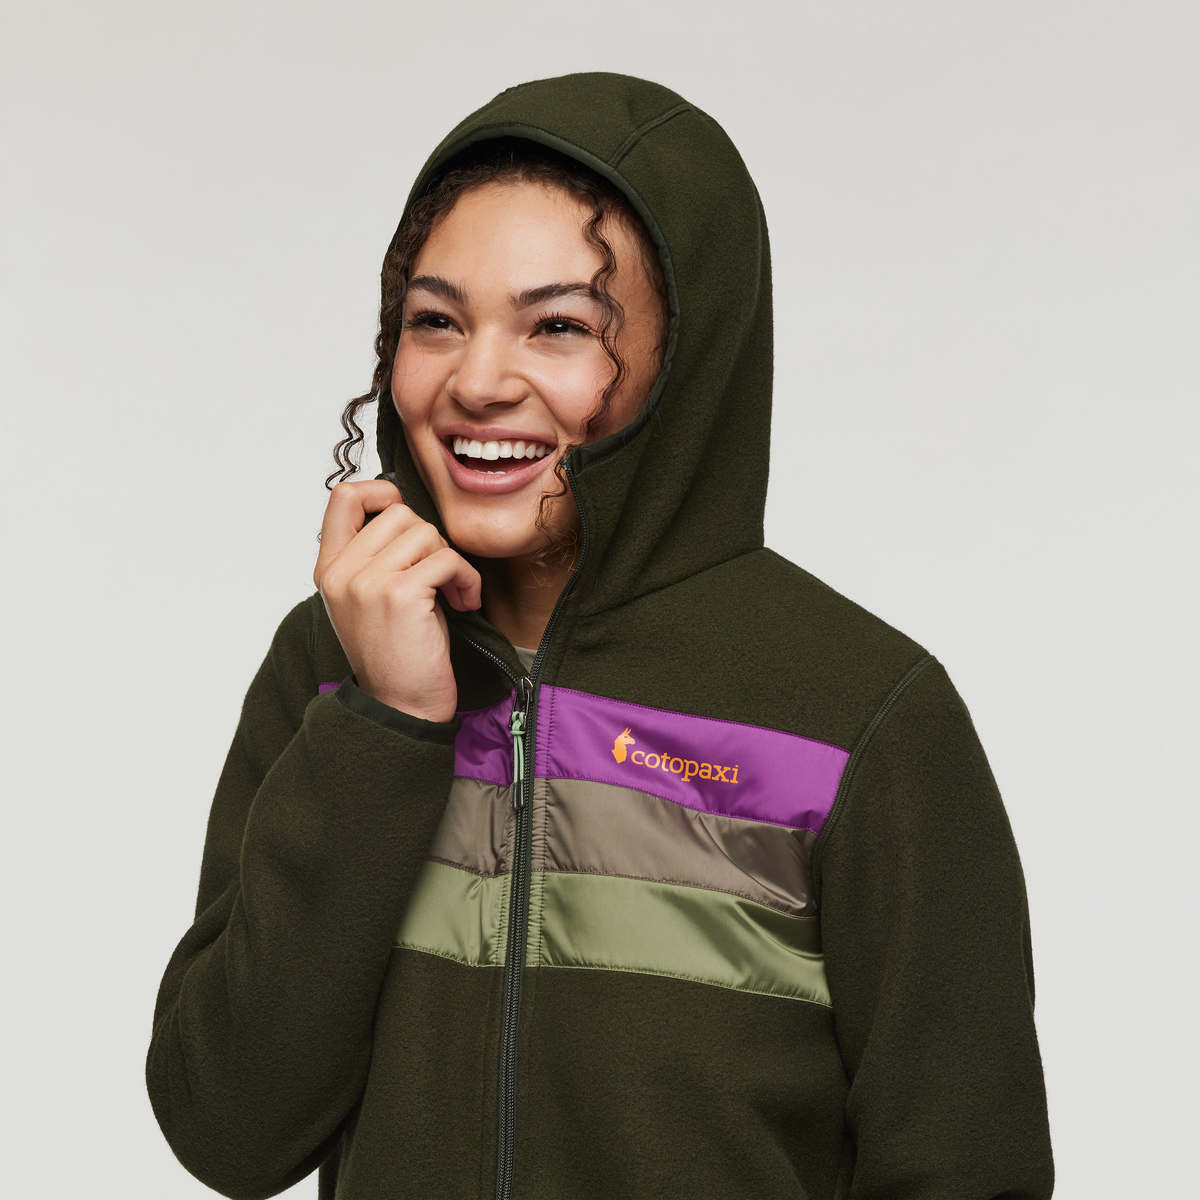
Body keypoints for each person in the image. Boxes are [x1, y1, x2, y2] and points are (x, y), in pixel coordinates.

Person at [147, 73, 1054, 1200]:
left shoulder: (860, 713)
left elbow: (964, 1171)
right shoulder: (331, 667)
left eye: (560, 327)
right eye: (437, 321)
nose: (479, 381)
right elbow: (227, 1132)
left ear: (687, 360)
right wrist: (387, 724)